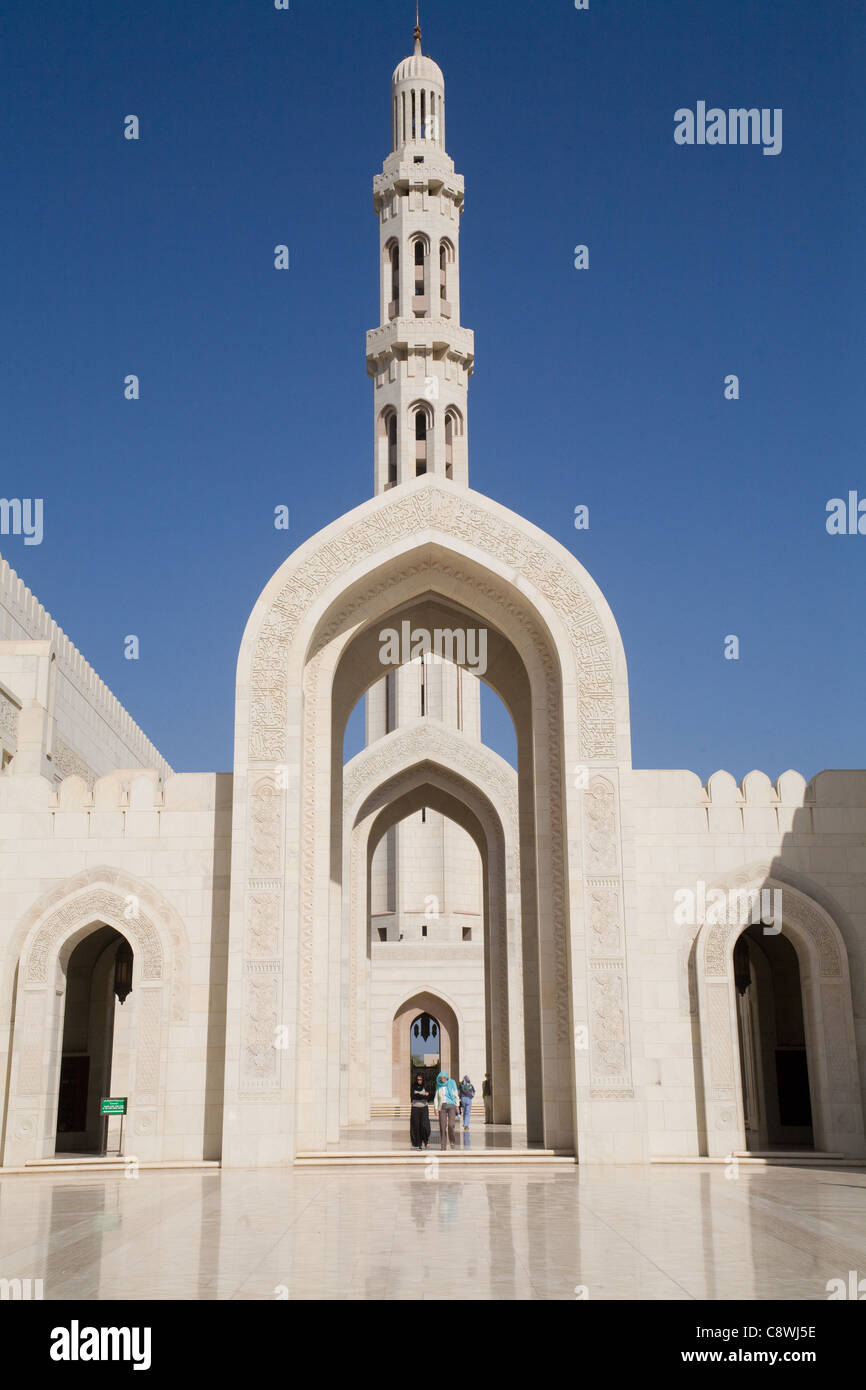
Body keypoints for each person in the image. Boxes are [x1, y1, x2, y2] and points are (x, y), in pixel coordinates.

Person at [433, 1070, 459, 1150]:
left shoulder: (452, 1082)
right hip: (442, 1106)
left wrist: (457, 1105)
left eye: (444, 1078)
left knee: (451, 1125)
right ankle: (443, 1145)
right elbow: (436, 1097)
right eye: (441, 1078)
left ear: (446, 1077)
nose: (442, 1079)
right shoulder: (439, 1084)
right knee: (442, 1126)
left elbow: (455, 1094)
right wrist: (436, 1108)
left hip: (451, 1104)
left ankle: (452, 1141)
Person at [410, 1073, 431, 1150]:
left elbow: (428, 1097)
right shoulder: (413, 1086)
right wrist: (423, 1095)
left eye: (421, 1079)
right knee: (417, 1126)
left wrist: (418, 1095)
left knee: (424, 1125)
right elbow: (412, 1096)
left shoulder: (426, 1086)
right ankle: (419, 1144)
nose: (419, 1081)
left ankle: (426, 1141)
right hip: (415, 1108)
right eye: (418, 1079)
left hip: (424, 1108)